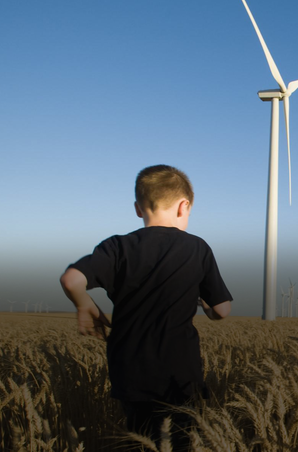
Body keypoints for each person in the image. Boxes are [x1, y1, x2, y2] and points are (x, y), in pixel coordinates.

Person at [60, 164, 233, 450]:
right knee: (178, 440)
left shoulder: (116, 247)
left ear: (138, 209)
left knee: (139, 438)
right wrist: (205, 303)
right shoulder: (197, 248)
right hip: (179, 371)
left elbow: (70, 280)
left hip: (129, 371)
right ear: (184, 206)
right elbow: (222, 310)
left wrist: (84, 304)